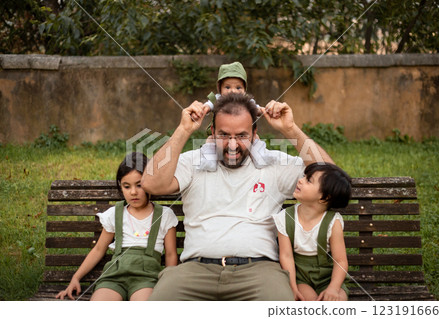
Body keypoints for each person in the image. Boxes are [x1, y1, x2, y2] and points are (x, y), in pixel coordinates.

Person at [141, 93, 334, 300]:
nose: (232, 145)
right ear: (212, 132)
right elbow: (151, 184)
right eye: (224, 135)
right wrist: (183, 130)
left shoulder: (273, 164)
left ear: (254, 133)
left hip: (259, 272)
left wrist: (290, 129)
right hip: (195, 271)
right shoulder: (194, 162)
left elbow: (330, 177)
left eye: (241, 136)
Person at [55, 152, 178, 301]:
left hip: (146, 279)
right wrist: (76, 277)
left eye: (139, 185)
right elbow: (99, 249)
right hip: (113, 278)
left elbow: (171, 254)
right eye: (127, 186)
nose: (133, 192)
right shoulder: (115, 214)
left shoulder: (164, 215)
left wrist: (168, 286)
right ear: (120, 187)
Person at [273, 162, 351, 301]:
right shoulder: (285, 218)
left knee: (338, 301)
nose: (300, 180)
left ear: (324, 198)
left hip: (328, 279)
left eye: (308, 180)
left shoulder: (333, 222)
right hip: (301, 278)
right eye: (304, 176)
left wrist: (333, 288)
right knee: (310, 302)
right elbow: (286, 256)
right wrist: (293, 287)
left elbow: (340, 261)